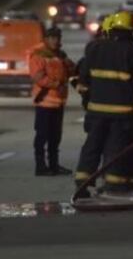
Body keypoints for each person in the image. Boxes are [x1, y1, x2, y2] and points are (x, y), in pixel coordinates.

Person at [74, 11, 133, 196]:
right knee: (115, 148)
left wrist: (87, 99)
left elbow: (83, 82)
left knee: (92, 146)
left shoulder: (93, 48)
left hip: (96, 111)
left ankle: (82, 182)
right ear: (130, 31)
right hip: (123, 113)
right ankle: (114, 185)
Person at [29, 26, 75, 176]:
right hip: (45, 102)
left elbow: (70, 72)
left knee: (55, 137)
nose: (55, 41)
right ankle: (40, 166)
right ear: (46, 40)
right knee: (42, 135)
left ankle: (54, 165)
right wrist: (56, 84)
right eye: (52, 38)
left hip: (59, 102)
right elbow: (38, 77)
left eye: (57, 38)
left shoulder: (61, 55)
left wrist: (71, 67)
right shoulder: (39, 55)